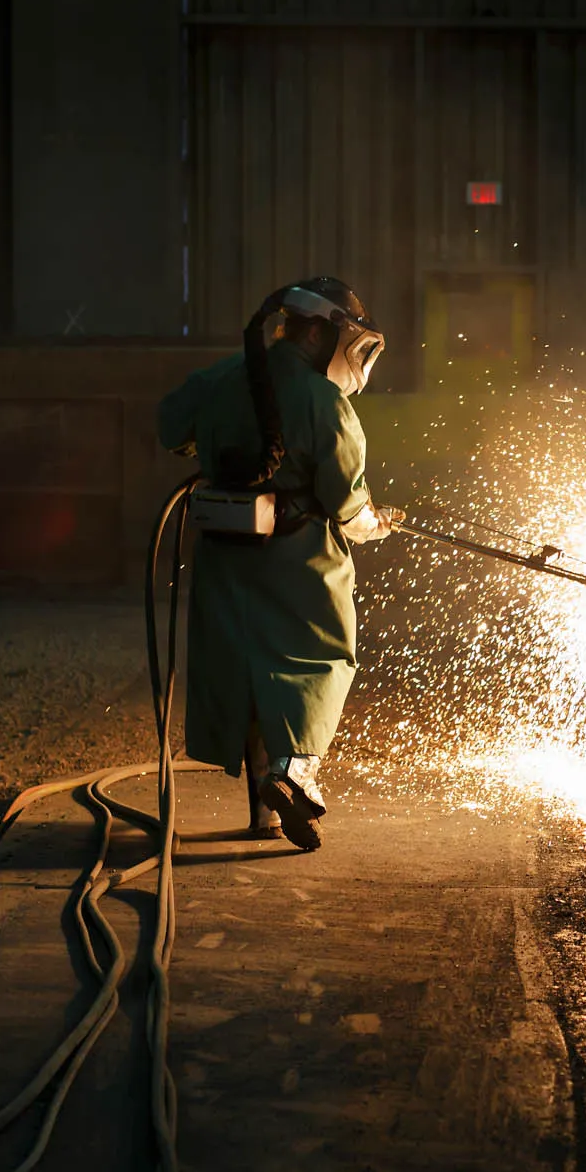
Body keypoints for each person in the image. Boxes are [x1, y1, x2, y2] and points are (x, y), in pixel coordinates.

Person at [156, 277, 400, 851]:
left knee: (244, 670)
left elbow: (171, 428)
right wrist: (378, 523)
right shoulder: (325, 404)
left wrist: (217, 439)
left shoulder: (223, 378)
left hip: (224, 559)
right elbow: (346, 504)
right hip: (300, 563)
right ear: (318, 331)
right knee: (317, 662)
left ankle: (264, 814)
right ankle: (292, 774)